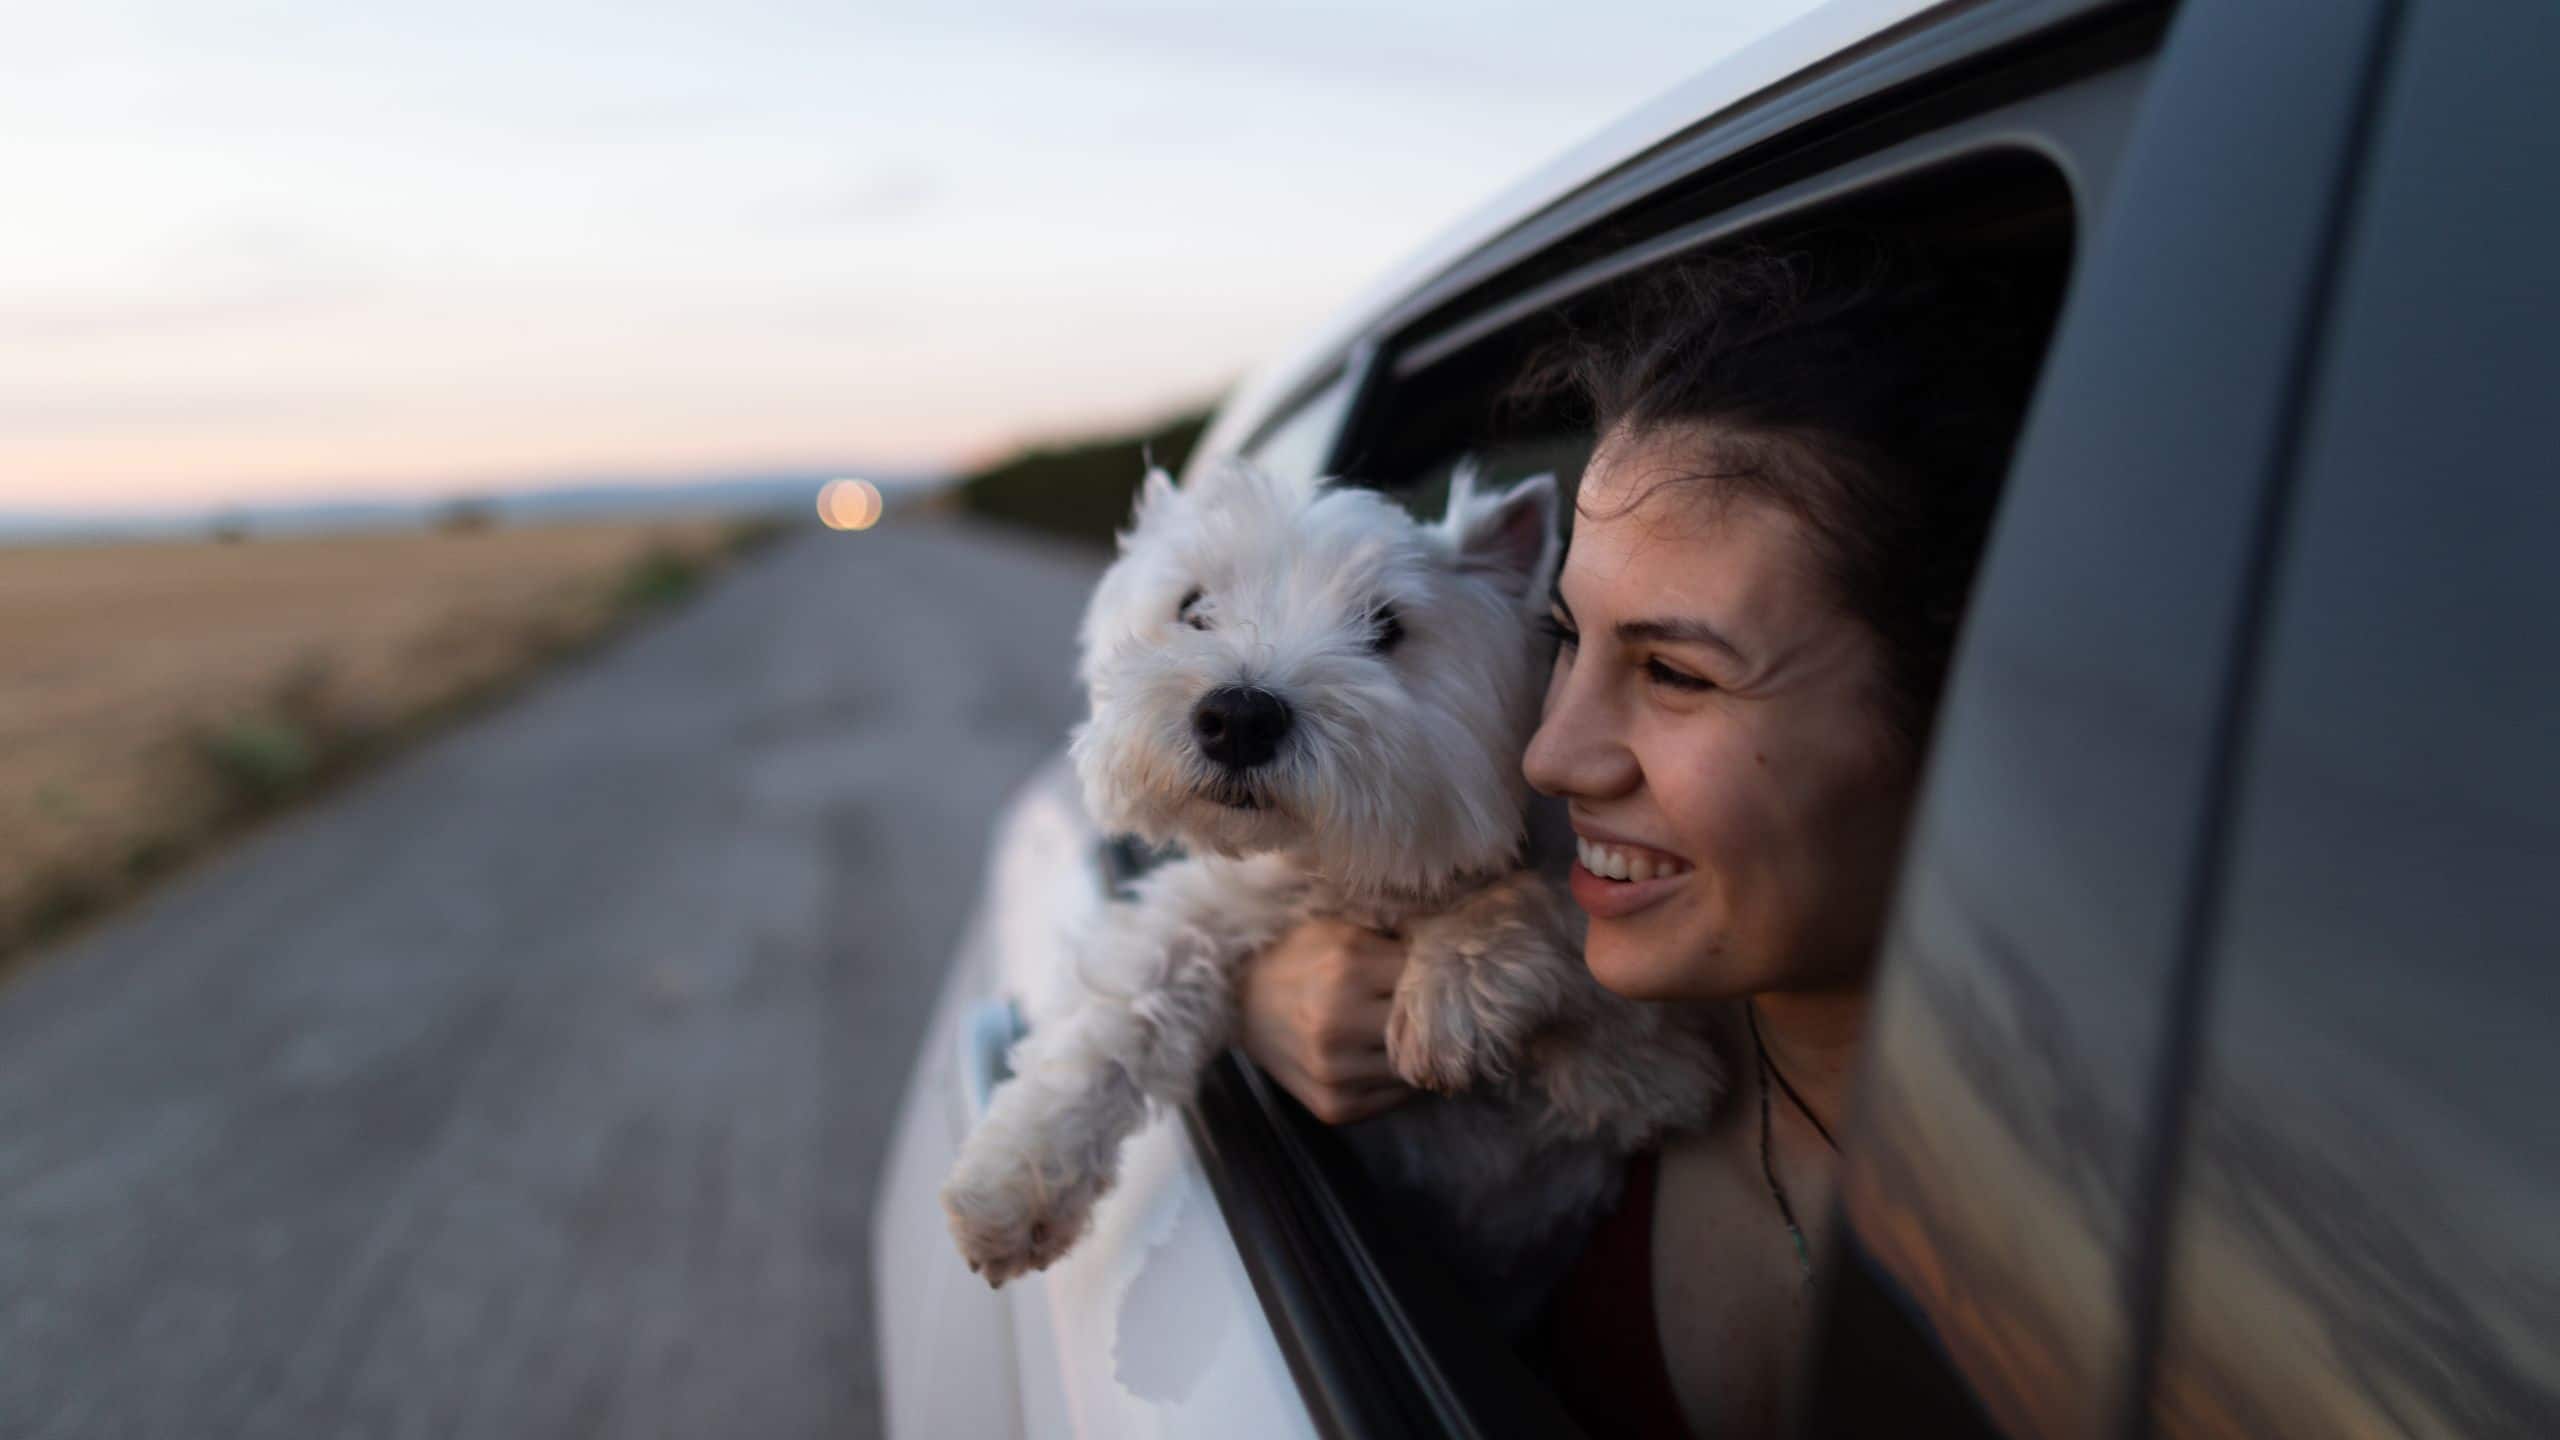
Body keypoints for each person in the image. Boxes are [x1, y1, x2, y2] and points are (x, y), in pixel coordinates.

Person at [1234, 246, 2053, 1438]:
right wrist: (1258, 998)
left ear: (1965, 707)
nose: (1551, 758)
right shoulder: (1573, 1007)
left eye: (1673, 673)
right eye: (1564, 638)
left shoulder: (2159, 1246)